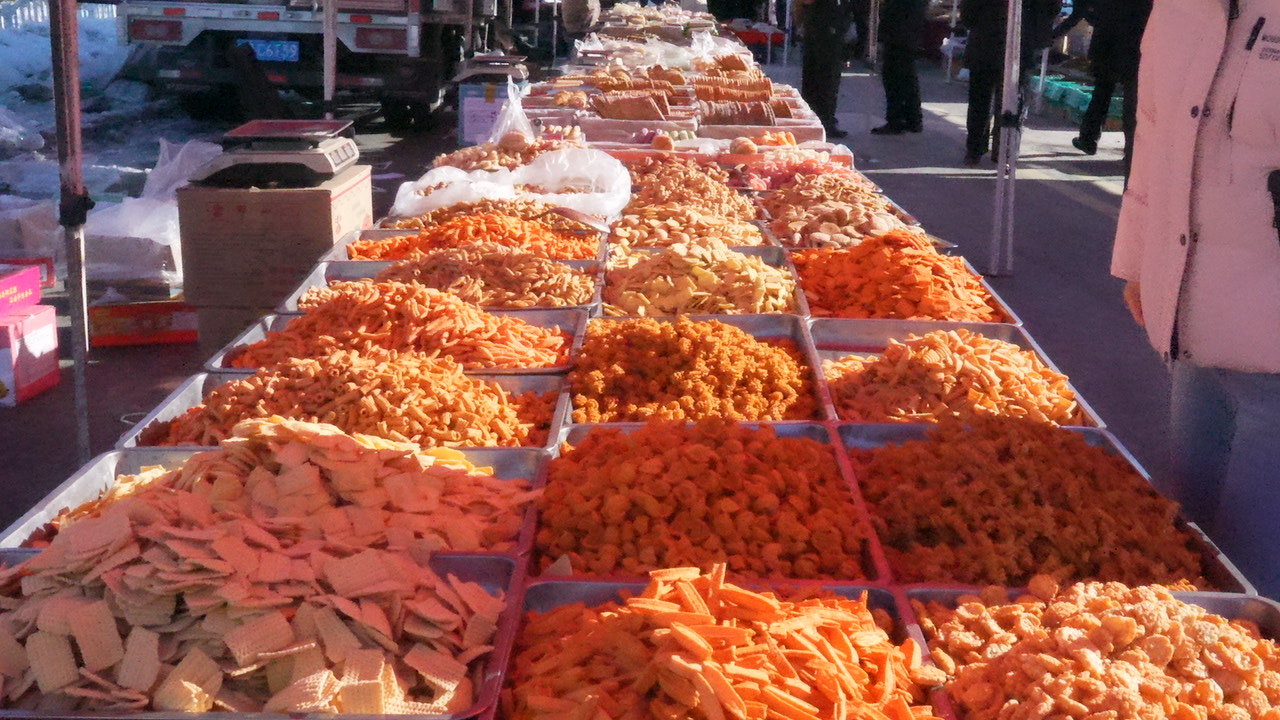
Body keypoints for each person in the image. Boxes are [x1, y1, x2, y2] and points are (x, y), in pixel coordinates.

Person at [1112, 0, 1280, 599]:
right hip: (1194, 329)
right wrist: (1138, 262)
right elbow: (1154, 132)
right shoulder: (1180, 9)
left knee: (1256, 571)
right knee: (1188, 546)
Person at [1053, 0, 1151, 173]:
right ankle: (1131, 150)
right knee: (1131, 100)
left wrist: (1056, 33)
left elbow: (1084, 9)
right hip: (1135, 44)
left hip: (1107, 42)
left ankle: (1088, 139)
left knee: (1102, 93)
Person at [959, 0, 1061, 165]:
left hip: (987, 39)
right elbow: (1052, 8)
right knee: (1012, 101)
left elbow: (967, 12)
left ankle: (975, 149)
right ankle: (1005, 151)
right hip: (1020, 41)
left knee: (980, 99)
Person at [796, 0, 854, 138]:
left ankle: (819, 119)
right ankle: (823, 120)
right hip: (825, 27)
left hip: (825, 25)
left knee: (821, 76)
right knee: (825, 77)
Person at [871, 0, 926, 134]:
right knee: (908, 77)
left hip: (898, 34)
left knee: (894, 78)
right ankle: (913, 118)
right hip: (907, 34)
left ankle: (897, 120)